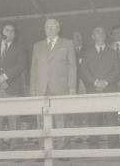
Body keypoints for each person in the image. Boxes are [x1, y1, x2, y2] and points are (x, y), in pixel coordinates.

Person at [30, 18, 76, 150]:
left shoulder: (67, 43)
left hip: (61, 88)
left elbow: (72, 67)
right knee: (41, 122)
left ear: (58, 28)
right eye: (47, 26)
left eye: (53, 26)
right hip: (41, 89)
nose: (50, 29)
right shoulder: (37, 46)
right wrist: (32, 89)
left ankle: (62, 150)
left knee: (61, 120)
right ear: (44, 29)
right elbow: (34, 68)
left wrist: (72, 87)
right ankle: (43, 149)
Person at [0, 22, 26, 151]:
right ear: (2, 32)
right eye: (7, 30)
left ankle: (15, 149)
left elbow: (20, 65)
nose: (10, 33)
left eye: (13, 31)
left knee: (14, 120)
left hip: (12, 88)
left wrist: (5, 77)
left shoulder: (20, 48)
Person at [80, 27, 120, 148]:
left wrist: (106, 82)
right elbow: (83, 71)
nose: (101, 34)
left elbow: (118, 71)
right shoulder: (86, 53)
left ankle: (114, 146)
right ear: (92, 36)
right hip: (93, 90)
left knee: (112, 118)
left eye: (103, 32)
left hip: (110, 89)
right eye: (97, 32)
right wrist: (95, 82)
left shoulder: (113, 52)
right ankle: (93, 146)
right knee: (93, 118)